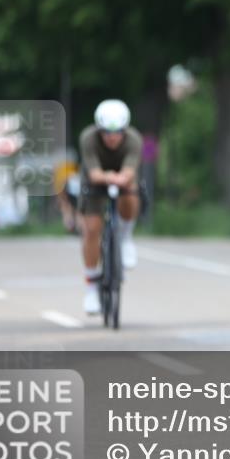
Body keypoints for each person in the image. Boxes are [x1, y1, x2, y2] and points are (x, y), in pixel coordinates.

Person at [78, 100, 142, 315]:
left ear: (125, 130)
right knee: (92, 229)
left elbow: (130, 171)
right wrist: (108, 178)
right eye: (106, 132)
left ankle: (125, 237)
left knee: (132, 191)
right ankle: (90, 287)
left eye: (117, 132)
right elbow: (94, 173)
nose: (112, 137)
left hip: (123, 178)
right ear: (99, 129)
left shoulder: (134, 140)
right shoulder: (88, 138)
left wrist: (121, 179)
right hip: (96, 180)